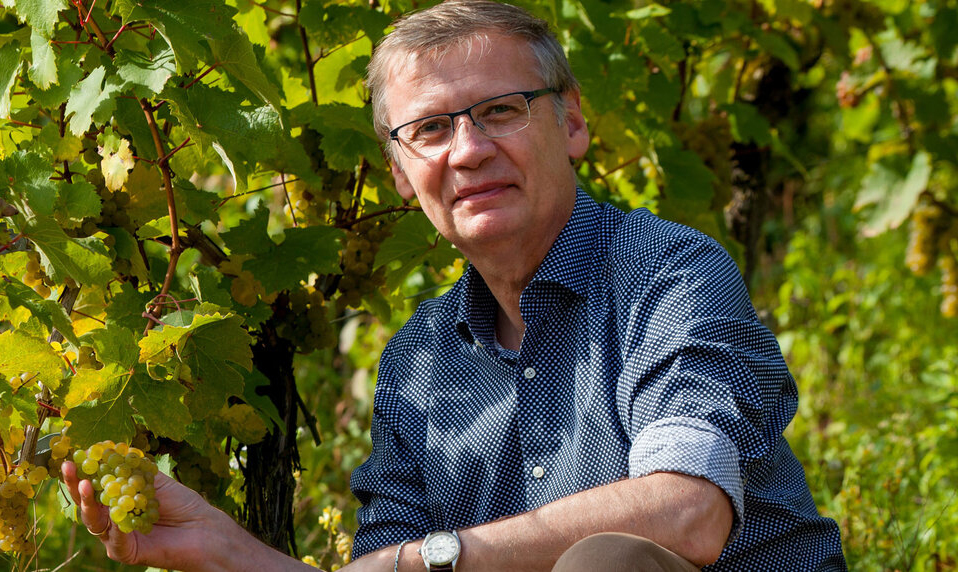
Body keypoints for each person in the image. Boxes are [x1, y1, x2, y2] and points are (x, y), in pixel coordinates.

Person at [64, 1, 847, 570]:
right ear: (401, 174)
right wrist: (231, 551)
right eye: (431, 130)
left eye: (501, 111)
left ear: (572, 123)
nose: (467, 152)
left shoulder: (668, 274)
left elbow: (686, 513)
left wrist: (435, 558)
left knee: (607, 564)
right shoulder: (418, 364)